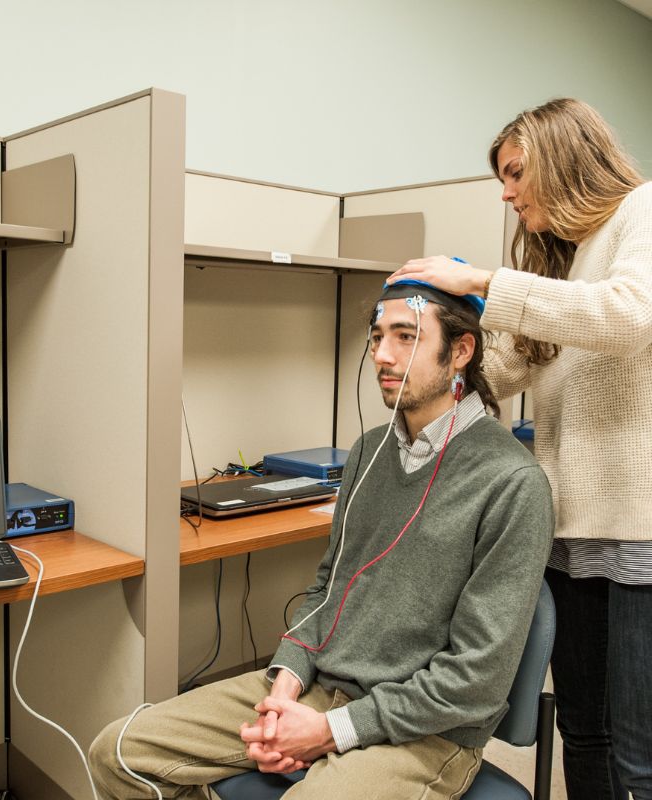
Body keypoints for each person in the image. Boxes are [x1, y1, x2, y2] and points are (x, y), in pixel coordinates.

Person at [88, 279, 553, 800]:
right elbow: (328, 587)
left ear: (460, 352)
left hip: (423, 730)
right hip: (316, 688)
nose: (382, 354)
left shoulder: (513, 483)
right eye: (377, 337)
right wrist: (287, 677)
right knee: (118, 753)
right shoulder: (368, 452)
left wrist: (329, 731)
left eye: (406, 337)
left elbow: (476, 681)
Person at [387, 97, 652, 800]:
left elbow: (628, 316)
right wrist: (427, 349)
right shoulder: (560, 264)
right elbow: (509, 367)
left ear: (562, 156)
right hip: (570, 530)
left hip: (640, 532)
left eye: (513, 173)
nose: (505, 193)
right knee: (585, 735)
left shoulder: (644, 213)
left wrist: (483, 282)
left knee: (640, 755)